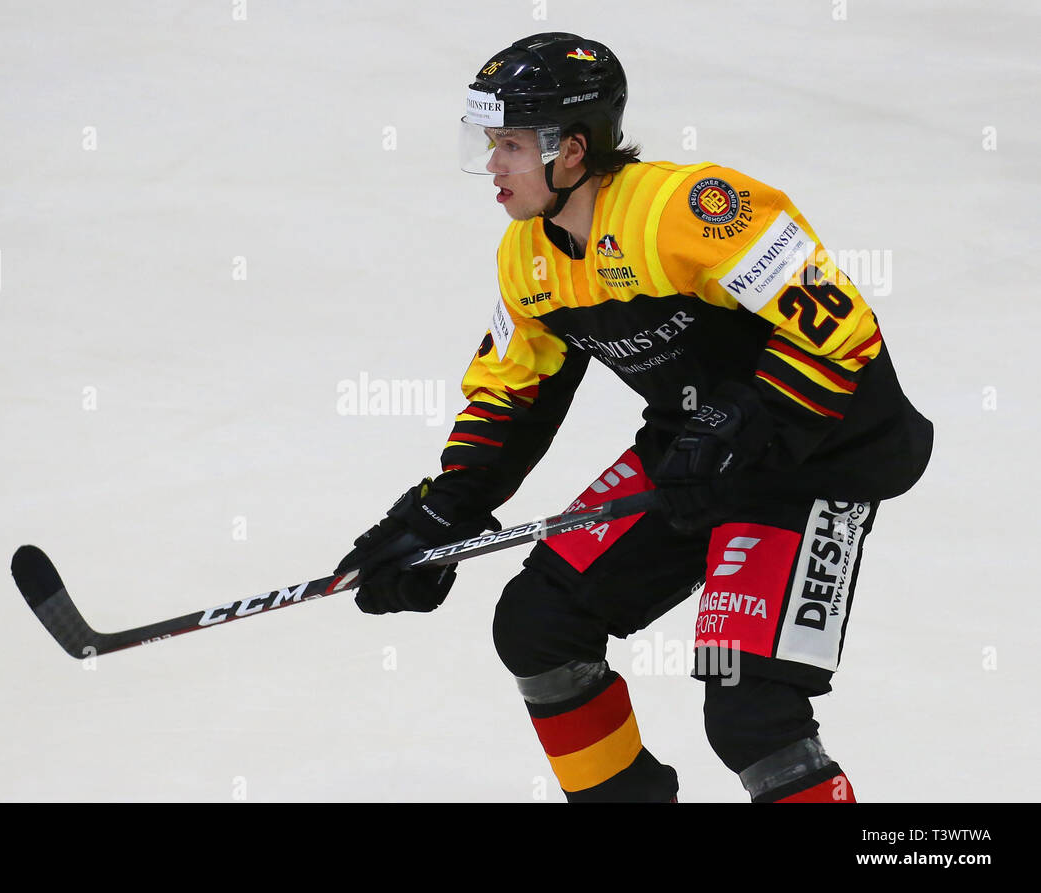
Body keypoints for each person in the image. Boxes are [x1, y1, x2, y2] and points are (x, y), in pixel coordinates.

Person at [334, 32, 933, 803]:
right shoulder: (529, 257)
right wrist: (442, 512)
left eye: (510, 145)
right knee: (537, 625)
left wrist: (739, 421)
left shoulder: (686, 210)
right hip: (695, 452)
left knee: (747, 708)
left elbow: (840, 328)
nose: (492, 166)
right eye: (489, 143)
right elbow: (514, 392)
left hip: (815, 457)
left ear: (573, 150)